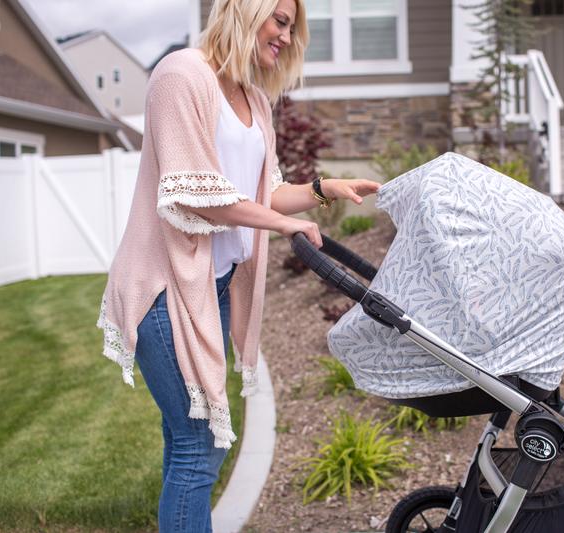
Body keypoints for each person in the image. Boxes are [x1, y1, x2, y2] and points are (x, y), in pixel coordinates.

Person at [95, 0, 380, 530]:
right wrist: (285, 225)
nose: (286, 37)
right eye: (279, 20)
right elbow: (195, 194)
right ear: (246, 10)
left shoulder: (254, 99)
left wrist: (325, 189)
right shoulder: (181, 75)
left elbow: (264, 191)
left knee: (188, 442)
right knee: (200, 446)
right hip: (165, 291)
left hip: (215, 288)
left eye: (292, 28)